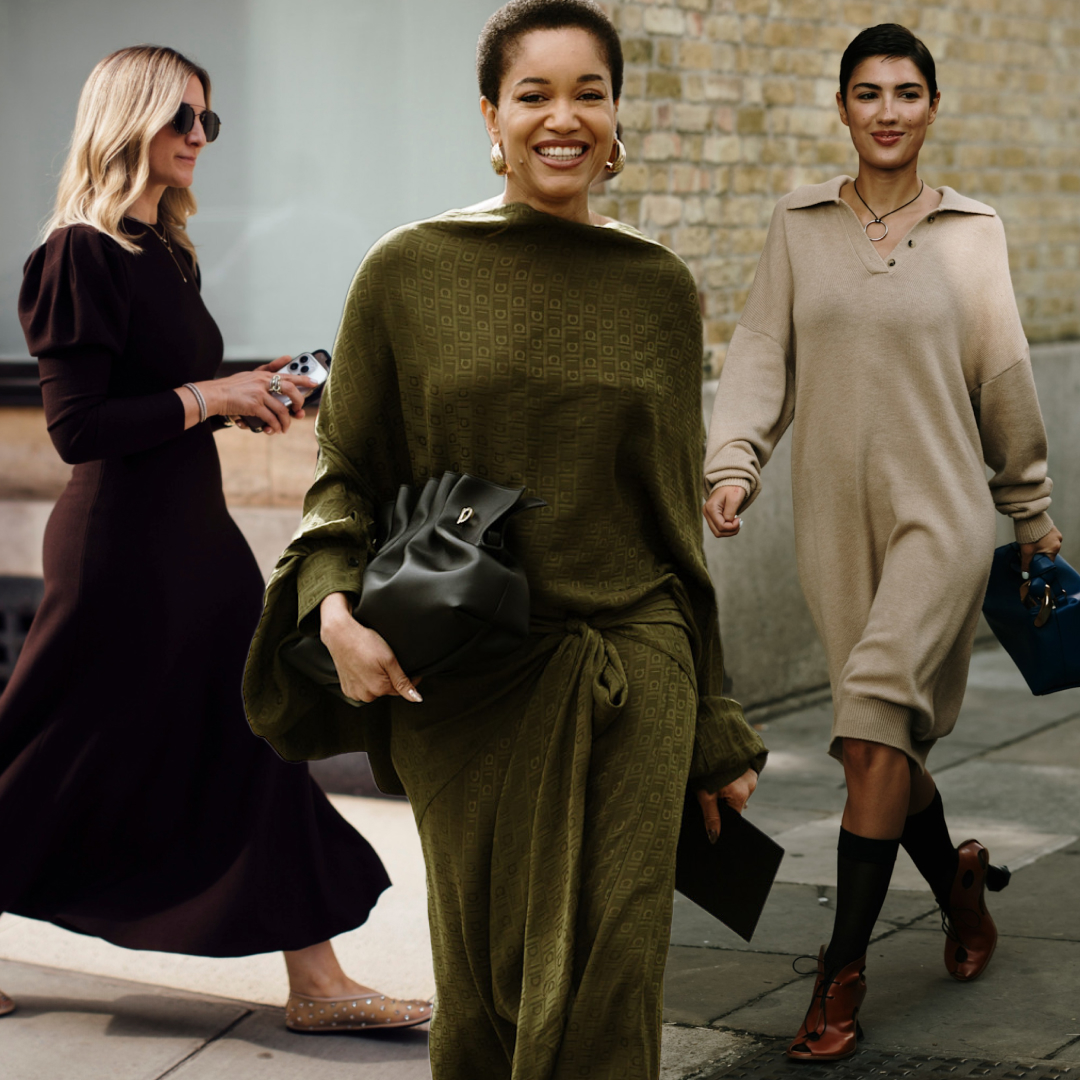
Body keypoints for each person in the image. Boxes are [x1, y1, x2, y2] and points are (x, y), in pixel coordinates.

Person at [243, 1, 767, 1076]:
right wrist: (333, 608)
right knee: (485, 979)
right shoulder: (409, 269)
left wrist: (712, 723)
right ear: (493, 114)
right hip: (465, 679)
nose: (562, 118)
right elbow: (347, 473)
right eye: (535, 94)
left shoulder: (659, 287)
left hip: (635, 663)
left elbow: (676, 523)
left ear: (619, 117)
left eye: (590, 93)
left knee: (617, 973)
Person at [0, 44, 430, 1034]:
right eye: (180, 118)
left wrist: (244, 395)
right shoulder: (78, 254)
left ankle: (317, 983)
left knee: (253, 733)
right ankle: (319, 982)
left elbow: (155, 396)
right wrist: (208, 397)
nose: (200, 138)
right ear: (128, 122)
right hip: (121, 554)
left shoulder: (162, 251)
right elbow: (78, 430)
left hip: (189, 538)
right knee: (52, 751)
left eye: (209, 121)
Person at [703, 23, 1062, 1062]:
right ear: (845, 109)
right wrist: (737, 462)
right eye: (869, 93)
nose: (890, 110)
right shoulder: (798, 223)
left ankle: (839, 975)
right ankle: (957, 884)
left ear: (933, 107)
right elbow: (763, 351)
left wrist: (1028, 509)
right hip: (831, 518)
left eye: (909, 92)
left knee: (867, 728)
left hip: (941, 515)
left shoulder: (971, 230)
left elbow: (1003, 372)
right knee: (887, 741)